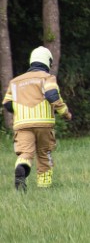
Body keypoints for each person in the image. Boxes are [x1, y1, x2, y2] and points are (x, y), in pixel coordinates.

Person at [4, 46, 72, 191]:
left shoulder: (15, 82)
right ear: (47, 62)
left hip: (22, 124)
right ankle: (44, 187)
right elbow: (52, 96)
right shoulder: (47, 78)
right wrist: (65, 112)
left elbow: (8, 104)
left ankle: (21, 168)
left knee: (26, 153)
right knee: (44, 153)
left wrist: (22, 111)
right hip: (43, 124)